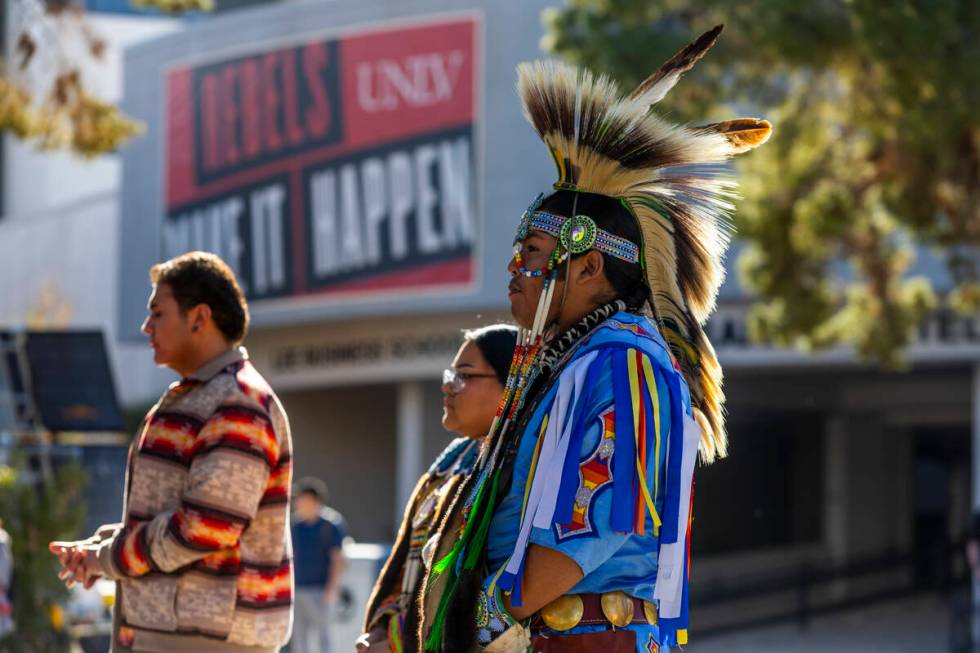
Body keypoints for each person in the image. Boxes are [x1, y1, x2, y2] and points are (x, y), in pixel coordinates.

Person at [419, 25, 771, 653]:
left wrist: (488, 615)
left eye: (530, 253)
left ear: (587, 267)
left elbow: (591, 526)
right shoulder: (574, 362)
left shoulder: (621, 365)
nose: (513, 271)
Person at [49, 251, 294, 653]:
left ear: (199, 317)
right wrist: (103, 549)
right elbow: (183, 517)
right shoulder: (199, 396)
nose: (146, 327)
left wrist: (108, 558)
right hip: (176, 636)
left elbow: (206, 526)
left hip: (208, 641)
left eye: (157, 314)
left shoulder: (238, 402)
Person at [356, 324, 518, 653]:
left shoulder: (516, 466)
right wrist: (384, 627)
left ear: (510, 386)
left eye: (464, 376)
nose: (447, 386)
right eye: (450, 374)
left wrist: (397, 641)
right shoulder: (454, 459)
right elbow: (407, 564)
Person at [290, 477, 347, 653]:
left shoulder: (331, 525)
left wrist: (332, 587)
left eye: (303, 499)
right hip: (297, 589)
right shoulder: (294, 525)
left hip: (321, 590)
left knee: (325, 637)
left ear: (316, 501)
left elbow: (337, 558)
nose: (299, 504)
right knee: (299, 639)